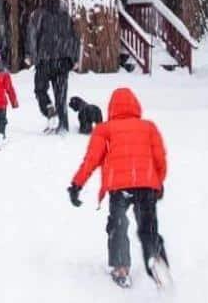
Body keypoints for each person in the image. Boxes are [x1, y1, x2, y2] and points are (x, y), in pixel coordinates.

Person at [67, 87, 170, 289]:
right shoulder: (148, 127)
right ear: (135, 106)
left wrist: (76, 185)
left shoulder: (105, 129)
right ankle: (155, 255)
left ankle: (121, 268)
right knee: (147, 225)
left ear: (112, 107)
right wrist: (158, 183)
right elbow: (160, 159)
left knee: (118, 225)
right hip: (146, 184)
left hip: (119, 186)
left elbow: (91, 161)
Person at [25, 0, 79, 134]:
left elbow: (32, 36)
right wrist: (74, 58)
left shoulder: (37, 14)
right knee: (61, 94)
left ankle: (48, 108)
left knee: (40, 89)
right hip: (63, 61)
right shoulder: (65, 16)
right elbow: (74, 38)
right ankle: (63, 126)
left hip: (45, 60)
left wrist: (31, 55)